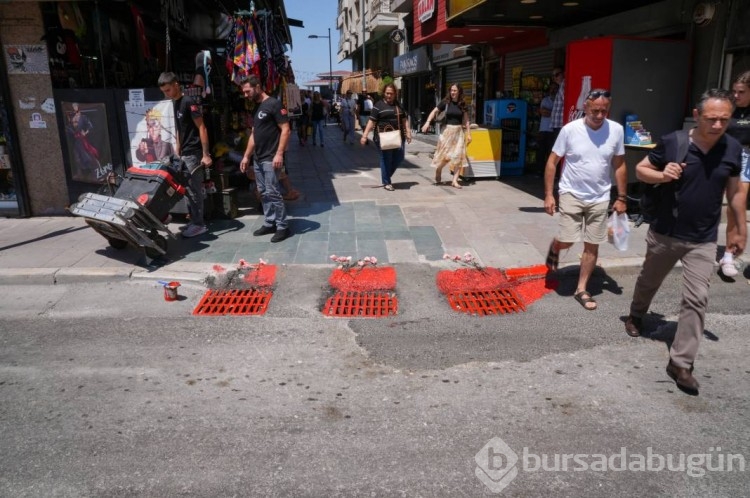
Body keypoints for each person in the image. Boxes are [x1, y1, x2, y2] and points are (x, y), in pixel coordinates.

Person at [624, 89, 746, 395]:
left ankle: (681, 363)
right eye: (711, 119)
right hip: (666, 231)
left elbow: (735, 193)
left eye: (724, 119)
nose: (718, 125)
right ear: (697, 114)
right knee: (649, 280)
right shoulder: (674, 142)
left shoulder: (732, 148)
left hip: (703, 238)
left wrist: (737, 230)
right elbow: (641, 170)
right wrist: (663, 175)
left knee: (696, 298)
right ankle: (637, 313)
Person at [543, 88, 627, 311]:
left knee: (592, 243)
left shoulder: (616, 130)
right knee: (569, 239)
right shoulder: (570, 130)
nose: (599, 116)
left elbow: (619, 165)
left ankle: (581, 288)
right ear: (586, 108)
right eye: (595, 111)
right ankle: (557, 245)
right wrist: (549, 194)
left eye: (604, 111)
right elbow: (552, 162)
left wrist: (621, 197)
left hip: (600, 196)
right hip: (571, 193)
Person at [158, 72, 212, 238]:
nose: (166, 94)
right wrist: (178, 148)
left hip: (194, 153)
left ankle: (199, 224)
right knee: (187, 190)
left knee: (193, 190)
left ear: (175, 84)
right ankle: (194, 220)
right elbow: (181, 129)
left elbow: (202, 127)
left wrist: (205, 154)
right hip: (184, 153)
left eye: (168, 90)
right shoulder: (175, 104)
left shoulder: (189, 102)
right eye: (164, 91)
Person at [239, 75, 292, 243]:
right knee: (263, 192)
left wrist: (279, 153)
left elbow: (286, 129)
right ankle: (270, 222)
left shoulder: (274, 104)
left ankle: (283, 226)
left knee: (273, 192)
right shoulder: (257, 107)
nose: (246, 95)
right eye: (244, 92)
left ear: (258, 86)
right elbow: (254, 134)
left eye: (247, 91)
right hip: (258, 158)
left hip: (271, 157)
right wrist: (246, 156)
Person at [718, 71, 750, 277]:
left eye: (741, 92)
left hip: (745, 159)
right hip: (723, 156)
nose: (736, 95)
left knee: (735, 206)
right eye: (734, 91)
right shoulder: (728, 109)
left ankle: (729, 254)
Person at [360, 83, 413, 191]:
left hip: (398, 136)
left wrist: (408, 132)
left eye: (391, 94)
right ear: (384, 93)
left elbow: (404, 120)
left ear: (395, 94)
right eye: (387, 93)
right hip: (383, 137)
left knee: (399, 158)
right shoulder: (378, 105)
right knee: (386, 159)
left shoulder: (398, 105)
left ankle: (386, 176)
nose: (389, 96)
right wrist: (364, 136)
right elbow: (371, 121)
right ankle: (387, 182)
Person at [421, 83, 472, 188]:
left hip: (459, 133)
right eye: (451, 90)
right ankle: (438, 169)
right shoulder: (445, 102)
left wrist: (469, 133)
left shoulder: (462, 104)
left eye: (455, 90)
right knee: (445, 156)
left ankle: (455, 181)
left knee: (458, 156)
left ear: (459, 92)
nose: (452, 92)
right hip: (447, 132)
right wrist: (427, 122)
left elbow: (466, 120)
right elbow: (434, 111)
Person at [536, 82, 559, 175]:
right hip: (543, 129)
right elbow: (543, 112)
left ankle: (550, 172)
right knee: (541, 151)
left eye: (555, 88)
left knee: (551, 152)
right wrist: (554, 112)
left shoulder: (559, 101)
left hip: (553, 129)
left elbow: (546, 112)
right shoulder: (545, 100)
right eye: (551, 88)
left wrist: (549, 112)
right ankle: (539, 171)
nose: (553, 90)